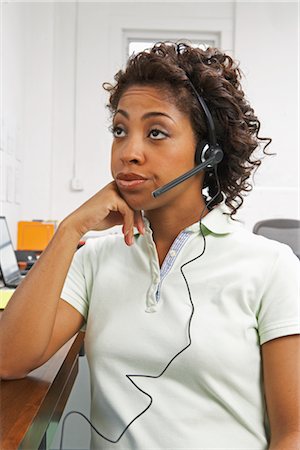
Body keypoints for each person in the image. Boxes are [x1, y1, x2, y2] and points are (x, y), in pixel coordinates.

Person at [0, 42, 299, 450]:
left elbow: (293, 434)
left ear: (208, 152)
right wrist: (70, 230)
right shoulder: (97, 260)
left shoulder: (271, 266)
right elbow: (9, 359)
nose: (129, 153)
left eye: (156, 132)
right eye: (120, 131)